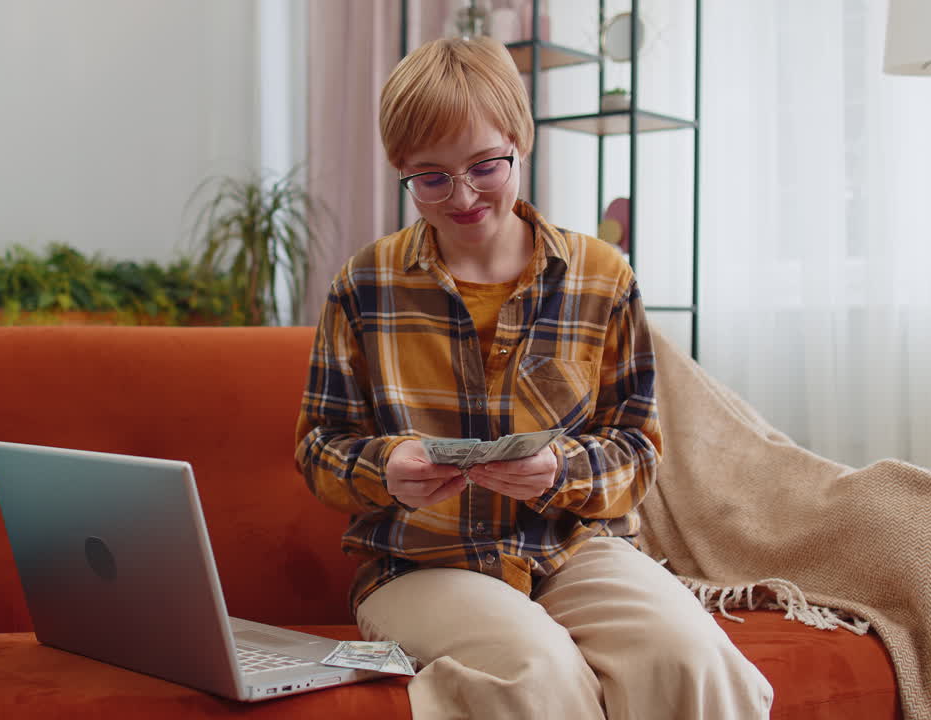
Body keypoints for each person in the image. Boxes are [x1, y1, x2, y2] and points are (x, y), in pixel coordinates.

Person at [294, 36, 772, 719]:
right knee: (537, 671)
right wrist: (383, 467)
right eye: (430, 178)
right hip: (421, 564)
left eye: (486, 166)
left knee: (693, 660)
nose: (462, 197)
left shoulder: (602, 277)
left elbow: (638, 452)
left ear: (522, 142)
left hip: (575, 549)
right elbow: (318, 446)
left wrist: (560, 470)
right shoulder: (363, 285)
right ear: (401, 169)